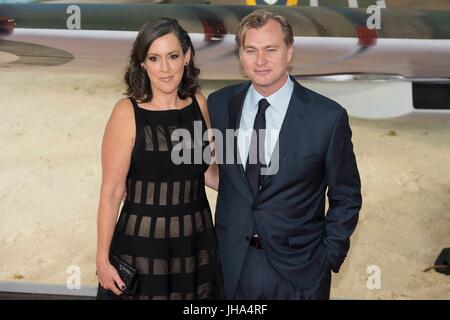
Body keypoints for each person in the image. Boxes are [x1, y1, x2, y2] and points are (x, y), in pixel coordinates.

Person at [207, 9, 362, 300]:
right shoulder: (220, 104)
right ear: (240, 55)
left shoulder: (326, 117)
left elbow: (347, 196)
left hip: (300, 275)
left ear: (289, 52)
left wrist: (326, 258)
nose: (260, 61)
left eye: (270, 50)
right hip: (231, 269)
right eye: (250, 50)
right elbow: (225, 176)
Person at [96, 18, 221, 300]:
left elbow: (206, 171)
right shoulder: (126, 113)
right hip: (142, 250)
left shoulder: (199, 104)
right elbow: (112, 192)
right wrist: (102, 261)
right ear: (142, 62)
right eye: (154, 58)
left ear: (186, 57)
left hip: (195, 247)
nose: (165, 69)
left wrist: (264, 189)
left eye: (172, 56)